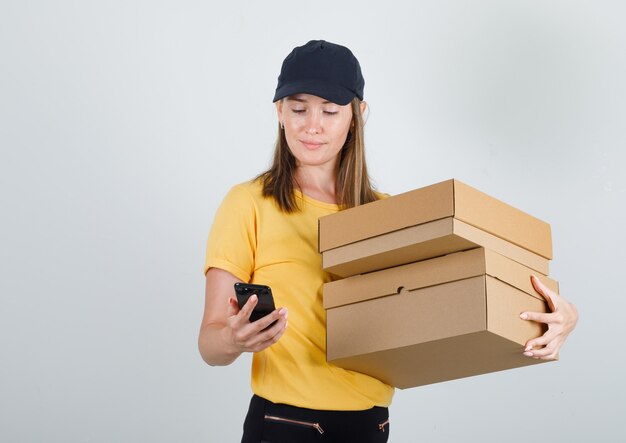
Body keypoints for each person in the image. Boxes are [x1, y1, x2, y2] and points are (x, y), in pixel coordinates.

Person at [198, 40, 578, 443]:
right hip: (284, 426)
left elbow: (466, 293)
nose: (312, 125)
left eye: (329, 111)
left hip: (370, 426)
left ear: (357, 116)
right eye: (298, 108)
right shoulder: (249, 204)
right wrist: (233, 339)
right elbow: (209, 344)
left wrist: (559, 317)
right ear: (279, 112)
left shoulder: (391, 218)